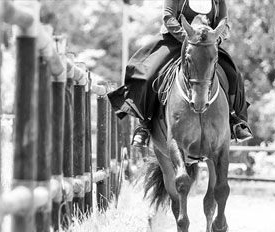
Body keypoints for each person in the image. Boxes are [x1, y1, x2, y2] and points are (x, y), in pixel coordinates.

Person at [108, 0, 253, 147]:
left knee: (233, 74)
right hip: (175, 39)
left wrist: (216, 38)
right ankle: (145, 124)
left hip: (206, 45)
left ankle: (236, 120)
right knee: (148, 74)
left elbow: (224, 23)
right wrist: (188, 38)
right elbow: (168, 17)